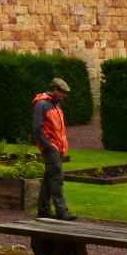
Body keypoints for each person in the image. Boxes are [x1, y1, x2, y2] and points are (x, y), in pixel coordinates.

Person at [32, 77, 75, 220]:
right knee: (57, 178)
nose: (64, 95)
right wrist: (49, 146)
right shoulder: (42, 104)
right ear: (55, 90)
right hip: (51, 148)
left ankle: (43, 210)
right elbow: (37, 129)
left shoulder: (56, 105)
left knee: (48, 179)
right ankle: (62, 211)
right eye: (62, 92)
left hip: (57, 148)